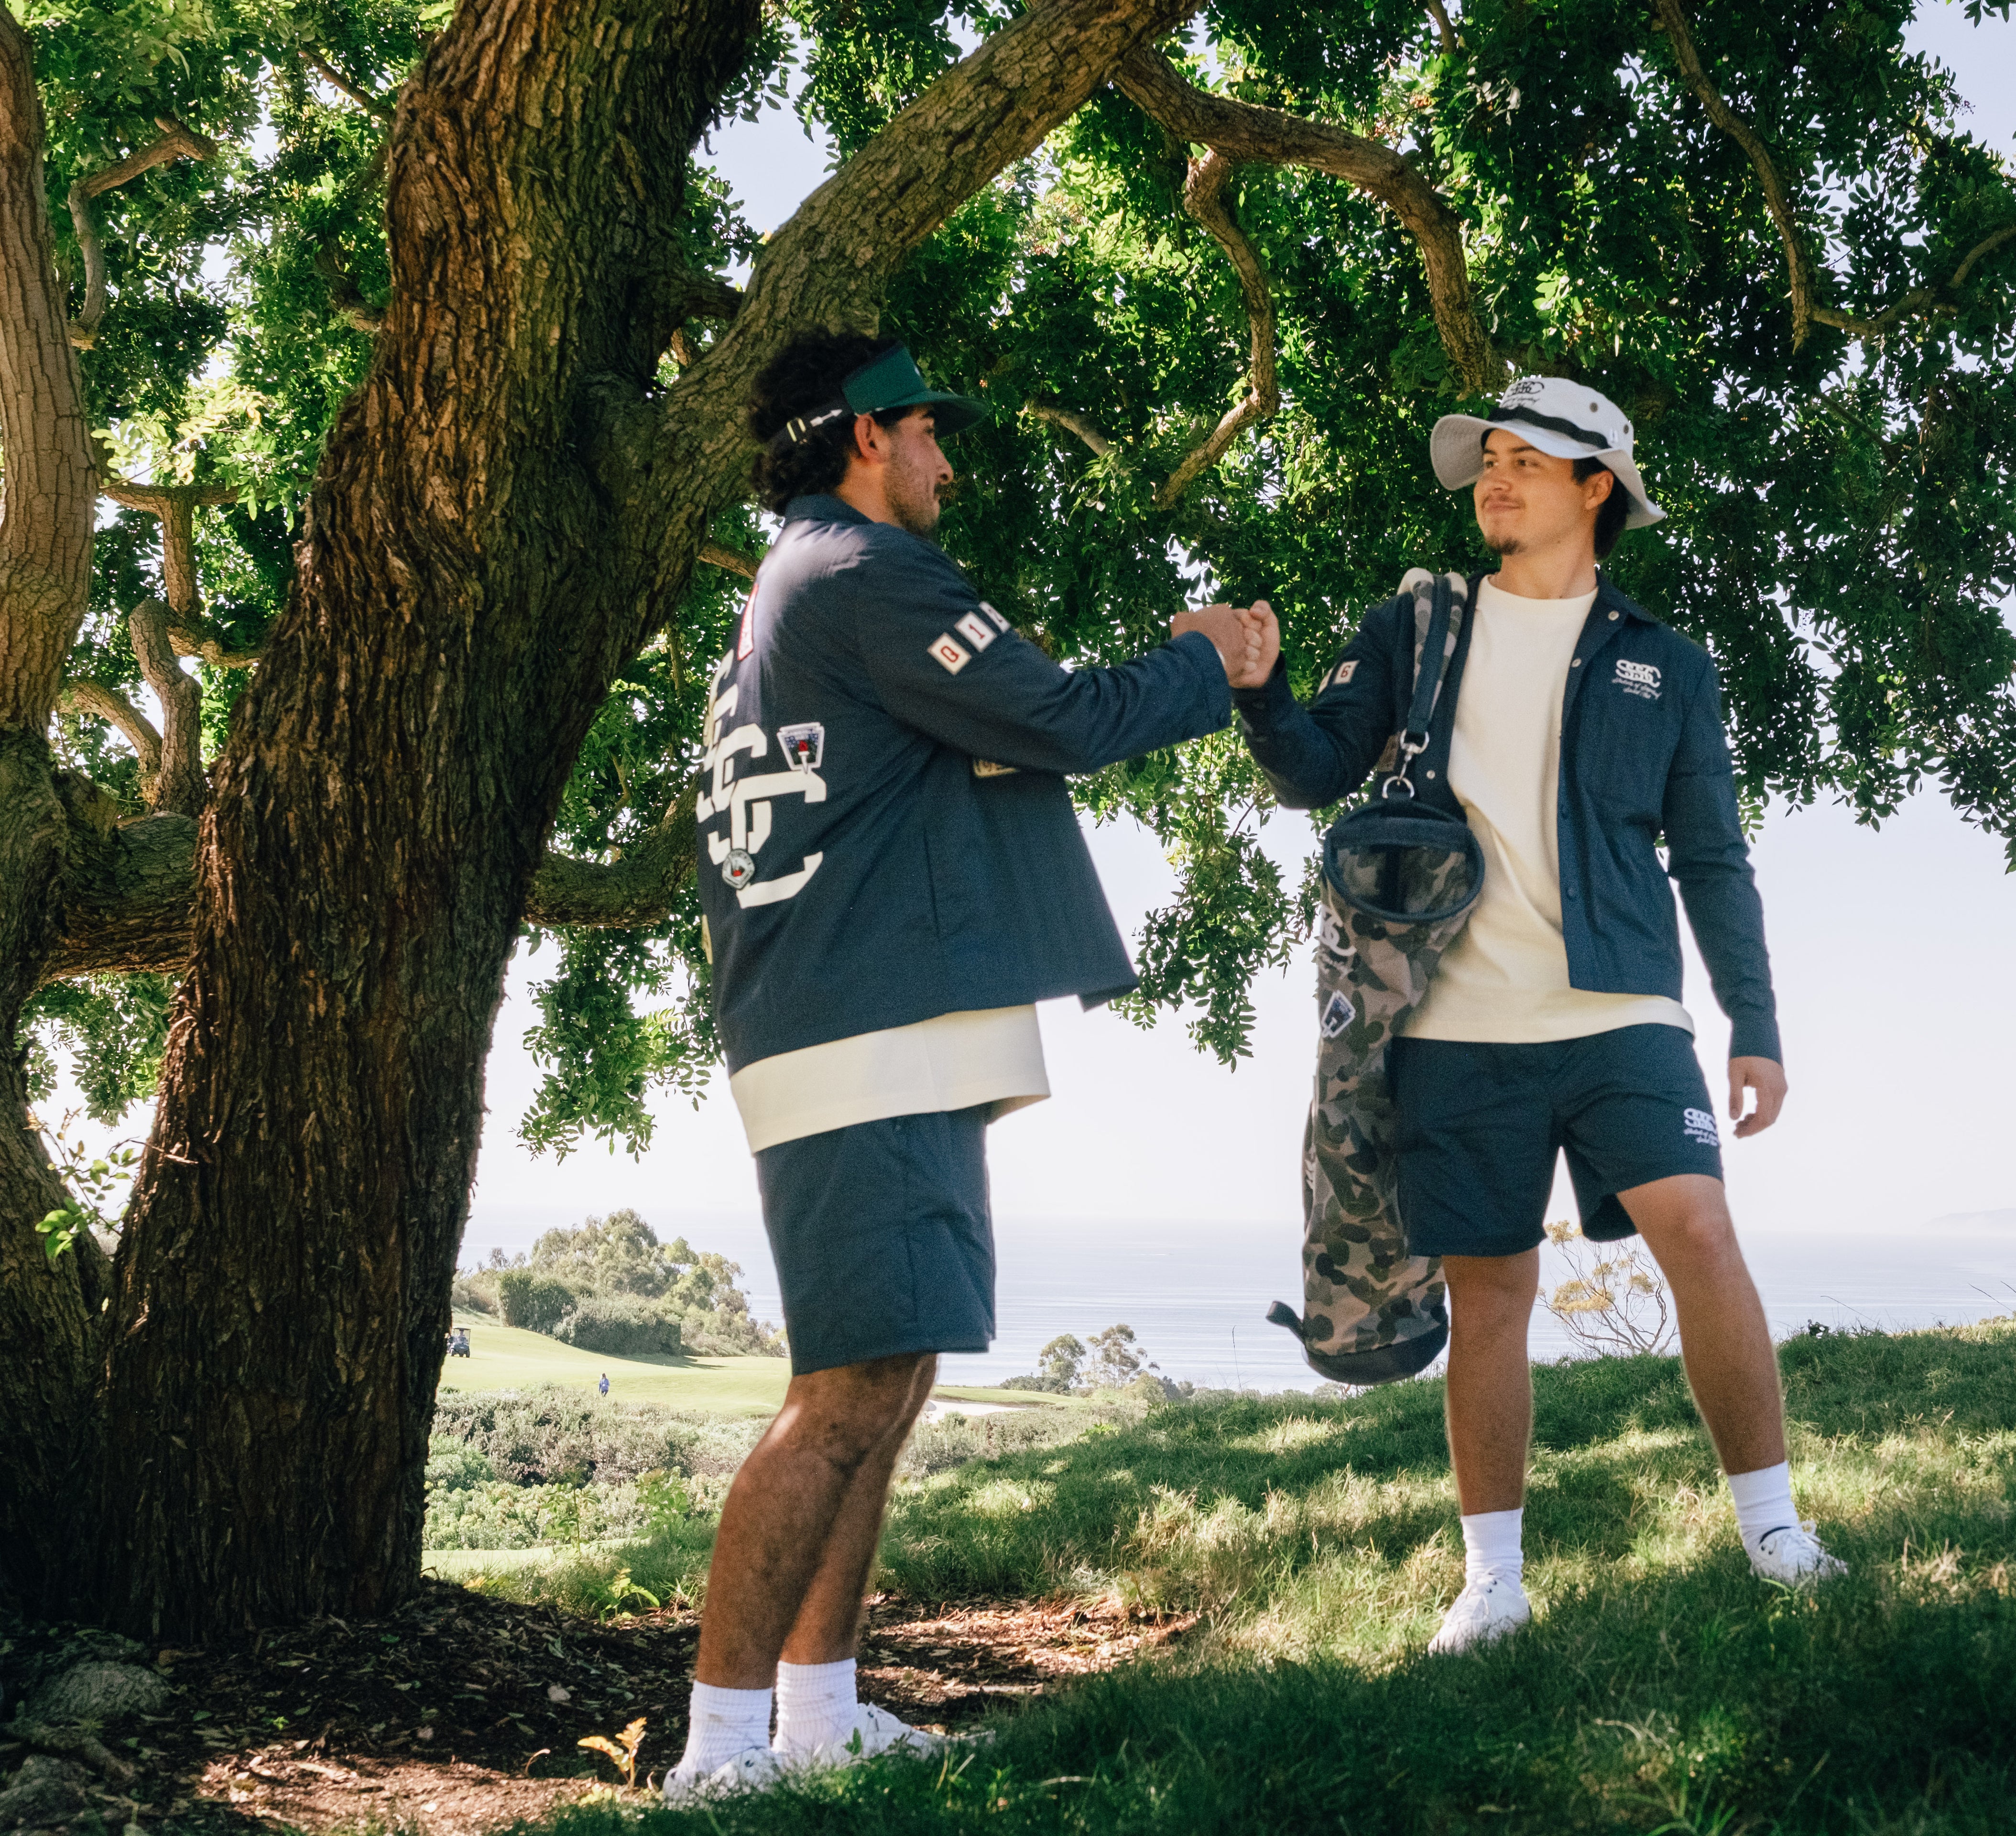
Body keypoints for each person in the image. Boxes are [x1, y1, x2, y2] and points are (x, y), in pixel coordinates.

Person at [664, 329, 1274, 1802]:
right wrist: (1207, 657)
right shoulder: (864, 576)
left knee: (892, 1372)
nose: (947, 461)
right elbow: (1057, 716)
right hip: (860, 1031)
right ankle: (717, 1756)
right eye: (931, 433)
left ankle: (816, 1713)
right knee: (849, 1390)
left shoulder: (799, 590)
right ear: (868, 437)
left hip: (879, 1026)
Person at [1230, 376, 1837, 1655]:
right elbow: (1317, 769)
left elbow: (1714, 859)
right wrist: (1261, 693)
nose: (1493, 481)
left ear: (1595, 486)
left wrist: (1756, 1024)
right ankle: (1491, 1583)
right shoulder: (1418, 624)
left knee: (1704, 1236)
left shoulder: (1663, 666)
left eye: (1525, 462)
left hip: (1623, 1012)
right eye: (1487, 460)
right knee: (1492, 1292)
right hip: (1451, 1022)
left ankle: (1776, 1530)